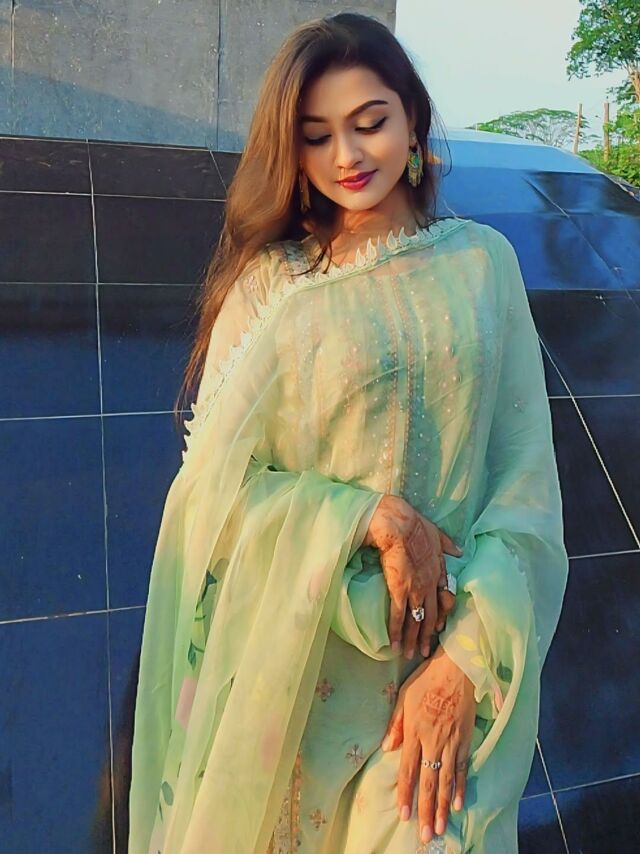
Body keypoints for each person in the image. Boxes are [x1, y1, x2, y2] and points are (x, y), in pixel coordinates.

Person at [127, 12, 569, 854]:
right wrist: (366, 517)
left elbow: (525, 488)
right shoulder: (271, 288)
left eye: (370, 122)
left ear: (413, 121)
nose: (347, 156)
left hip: (444, 672)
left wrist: (464, 667)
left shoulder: (484, 265)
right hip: (298, 682)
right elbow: (211, 500)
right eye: (317, 135)